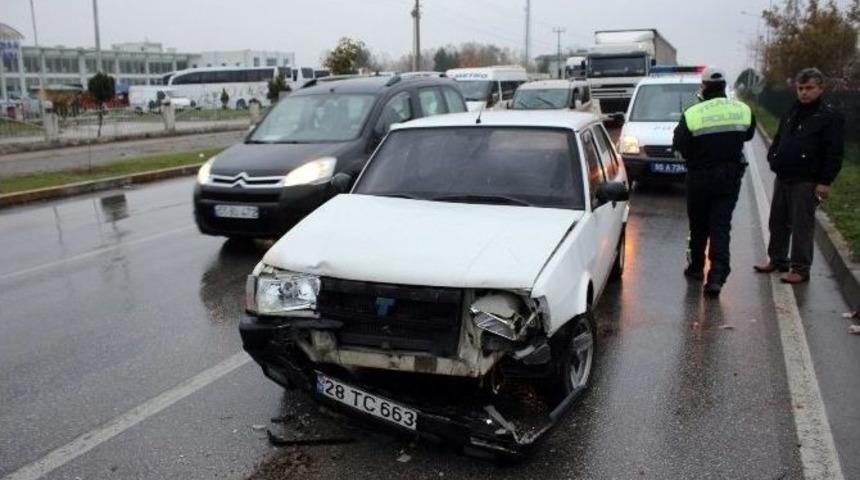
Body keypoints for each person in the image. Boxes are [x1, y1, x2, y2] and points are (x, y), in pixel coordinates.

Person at [754, 68, 845, 284]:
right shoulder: (791, 110)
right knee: (777, 221)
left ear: (820, 88)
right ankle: (777, 259)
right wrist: (773, 156)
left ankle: (800, 268)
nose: (804, 92)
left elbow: (834, 152)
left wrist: (825, 181)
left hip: (806, 179)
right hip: (784, 176)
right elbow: (779, 137)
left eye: (809, 88)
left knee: (802, 226)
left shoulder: (828, 116)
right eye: (800, 88)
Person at [673, 66, 756, 297]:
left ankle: (696, 267)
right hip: (729, 179)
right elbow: (748, 134)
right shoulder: (742, 109)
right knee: (720, 226)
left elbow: (680, 145)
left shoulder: (692, 113)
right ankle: (717, 277)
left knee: (698, 225)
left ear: (704, 86)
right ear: (724, 86)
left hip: (699, 178)